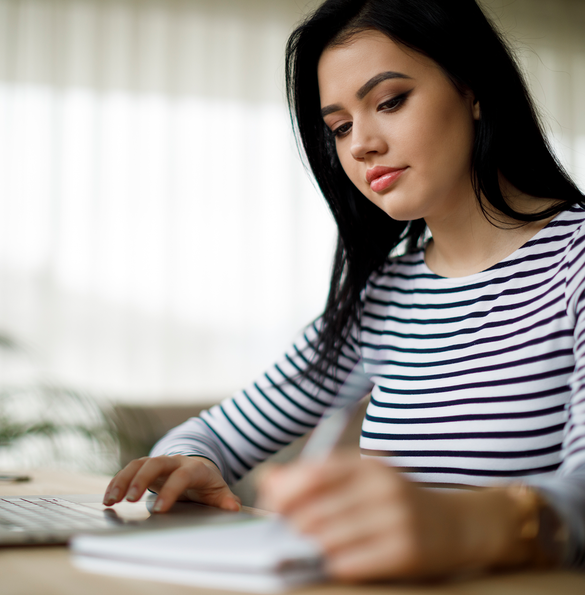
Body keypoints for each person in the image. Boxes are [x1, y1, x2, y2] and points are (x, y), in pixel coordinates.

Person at [103, 0, 585, 582]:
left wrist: (458, 525)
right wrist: (192, 462)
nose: (361, 144)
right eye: (339, 127)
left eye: (389, 101)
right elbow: (209, 433)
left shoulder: (573, 260)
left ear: (473, 87)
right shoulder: (384, 299)